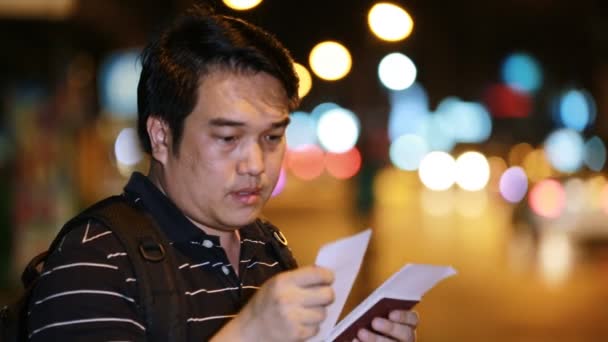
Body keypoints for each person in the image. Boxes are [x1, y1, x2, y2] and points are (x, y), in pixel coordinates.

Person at [27, 4, 419, 341]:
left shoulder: (266, 248)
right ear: (161, 136)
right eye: (228, 138)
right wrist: (249, 332)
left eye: (271, 137)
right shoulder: (94, 260)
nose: (255, 164)